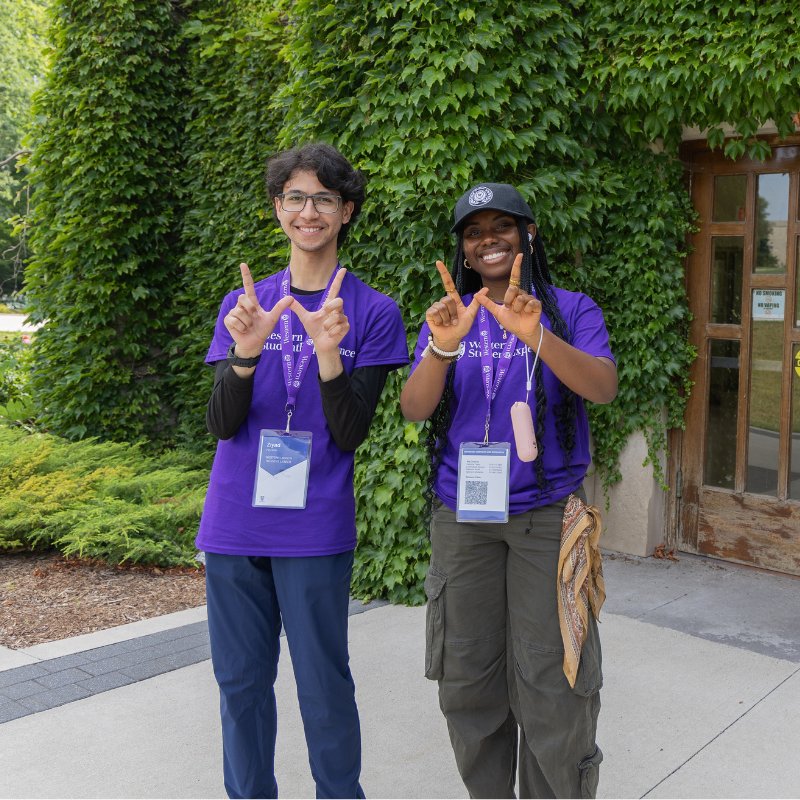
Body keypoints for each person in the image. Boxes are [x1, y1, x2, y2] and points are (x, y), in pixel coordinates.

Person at [198, 143, 409, 799]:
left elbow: (349, 433)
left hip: (315, 527)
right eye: (295, 197)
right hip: (234, 523)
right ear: (277, 209)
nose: (308, 210)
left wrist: (328, 354)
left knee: (322, 681)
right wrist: (245, 354)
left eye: (323, 198)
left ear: (346, 212)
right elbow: (221, 424)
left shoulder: (372, 312)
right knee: (239, 682)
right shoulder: (247, 304)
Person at [400, 183, 617, 799]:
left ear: (529, 235)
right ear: (463, 251)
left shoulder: (570, 308)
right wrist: (443, 346)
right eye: (474, 232)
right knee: (467, 676)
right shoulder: (451, 314)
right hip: (462, 517)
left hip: (545, 517)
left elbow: (602, 387)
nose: (488, 240)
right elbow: (415, 409)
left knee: (553, 680)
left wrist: (535, 336)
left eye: (502, 226)